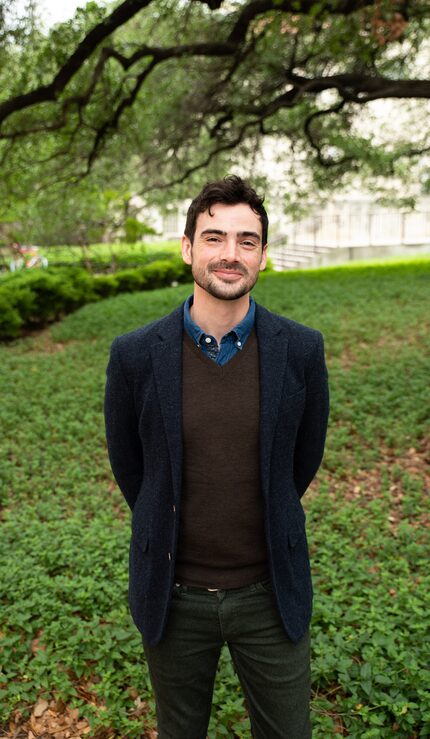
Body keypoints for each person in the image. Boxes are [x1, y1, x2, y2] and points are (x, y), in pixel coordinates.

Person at [104, 175, 329, 738]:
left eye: (246, 241)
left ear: (263, 255)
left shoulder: (301, 349)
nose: (230, 254)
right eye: (214, 237)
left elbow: (301, 462)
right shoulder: (134, 355)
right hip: (173, 596)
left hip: (270, 595)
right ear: (187, 247)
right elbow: (134, 468)